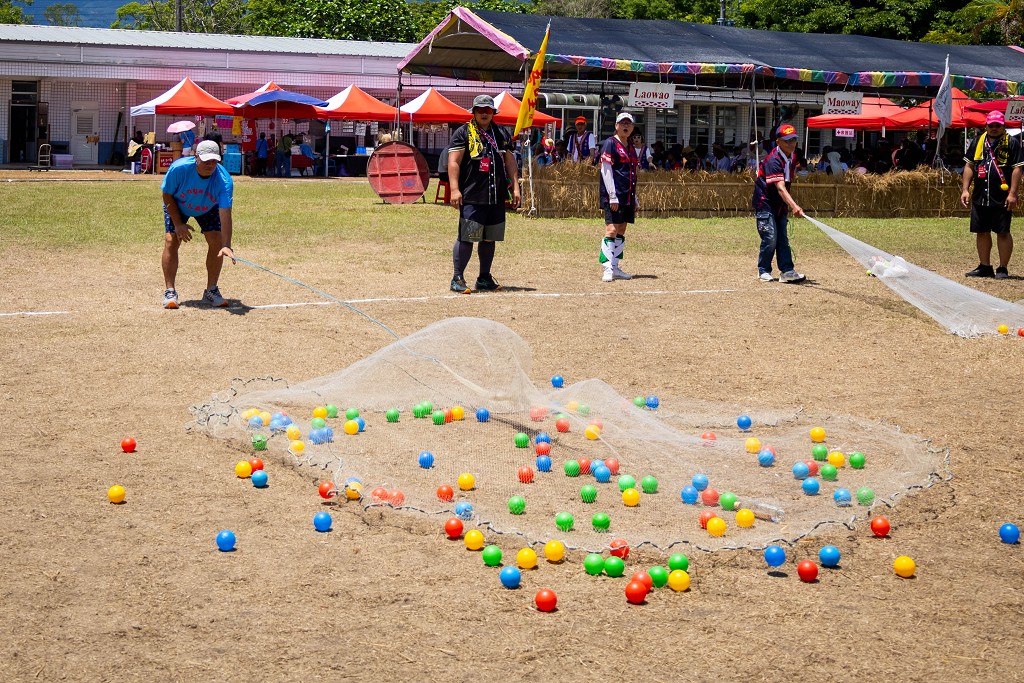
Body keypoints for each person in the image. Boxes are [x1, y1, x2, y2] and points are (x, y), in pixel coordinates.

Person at [447, 94, 521, 293]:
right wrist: (454, 189)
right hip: (472, 194)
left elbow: (510, 161)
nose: (484, 113)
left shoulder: (501, 133)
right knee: (467, 236)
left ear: (493, 113)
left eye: (488, 110)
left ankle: (484, 277)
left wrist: (515, 186)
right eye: (480, 110)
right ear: (474, 112)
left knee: (490, 237)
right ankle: (457, 277)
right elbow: (453, 161)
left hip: (495, 195)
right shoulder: (463, 133)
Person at [160, 139, 236, 309]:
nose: (210, 165)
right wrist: (178, 224)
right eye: (206, 160)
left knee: (216, 243)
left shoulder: (224, 181)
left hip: (208, 207)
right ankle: (170, 291)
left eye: (214, 161)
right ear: (196, 157)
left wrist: (227, 245)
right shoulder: (178, 169)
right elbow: (167, 195)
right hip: (178, 204)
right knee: (171, 241)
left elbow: (225, 213)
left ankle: (211, 291)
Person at [961, 110, 1023, 279]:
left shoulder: (1012, 143)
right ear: (986, 125)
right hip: (981, 195)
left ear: (1003, 126)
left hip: (1001, 197)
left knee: (1002, 232)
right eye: (991, 125)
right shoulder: (978, 141)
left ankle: (1003, 268)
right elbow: (969, 166)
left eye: (998, 125)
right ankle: (985, 266)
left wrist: (1013, 193)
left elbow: (1018, 168)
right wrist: (965, 189)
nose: (994, 128)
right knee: (981, 231)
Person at [753, 124, 806, 283]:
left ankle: (787, 271)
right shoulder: (773, 160)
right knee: (770, 237)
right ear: (778, 142)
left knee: (782, 237)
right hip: (765, 203)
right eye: (787, 141)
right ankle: (763, 270)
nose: (791, 144)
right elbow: (780, 188)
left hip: (780, 205)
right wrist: (794, 206)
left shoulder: (793, 156)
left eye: (794, 140)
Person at [598, 112, 640, 282]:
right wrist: (612, 195)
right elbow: (605, 169)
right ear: (616, 125)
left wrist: (635, 197)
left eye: (628, 123)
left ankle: (615, 266)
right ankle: (607, 267)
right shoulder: (610, 143)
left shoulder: (630, 147)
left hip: (627, 195)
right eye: (622, 122)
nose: (625, 126)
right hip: (614, 195)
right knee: (612, 230)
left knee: (622, 230)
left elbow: (633, 173)